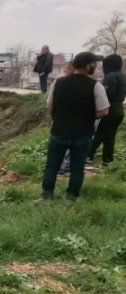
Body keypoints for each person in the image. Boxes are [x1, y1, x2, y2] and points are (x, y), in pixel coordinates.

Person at [40, 52, 110, 204]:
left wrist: (58, 119)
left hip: (59, 131)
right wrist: (90, 116)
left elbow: (49, 107)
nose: (95, 66)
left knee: (52, 165)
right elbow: (104, 111)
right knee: (77, 168)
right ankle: (70, 198)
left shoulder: (59, 83)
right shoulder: (96, 86)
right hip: (83, 133)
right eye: (93, 63)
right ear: (87, 66)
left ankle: (47, 197)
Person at [89, 54, 126, 166]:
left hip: (109, 110)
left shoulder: (110, 77)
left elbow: (106, 95)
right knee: (110, 136)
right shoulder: (123, 76)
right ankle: (107, 159)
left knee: (98, 133)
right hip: (119, 111)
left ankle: (88, 155)